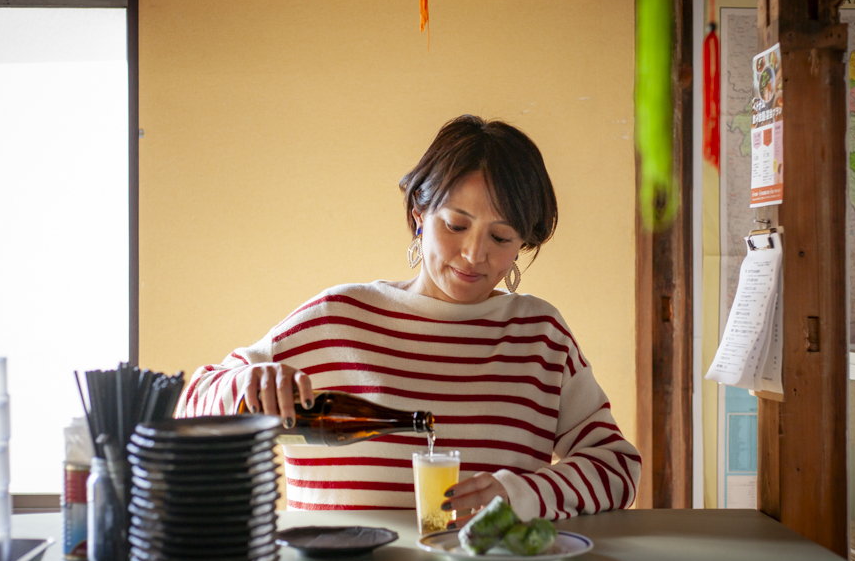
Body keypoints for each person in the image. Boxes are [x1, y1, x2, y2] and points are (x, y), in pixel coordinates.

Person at [178, 115, 641, 523]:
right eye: (455, 225)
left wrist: (521, 495)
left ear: (523, 243)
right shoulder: (337, 317)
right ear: (419, 214)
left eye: (500, 237)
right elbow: (190, 406)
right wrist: (241, 387)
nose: (473, 254)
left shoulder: (538, 336)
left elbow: (617, 468)